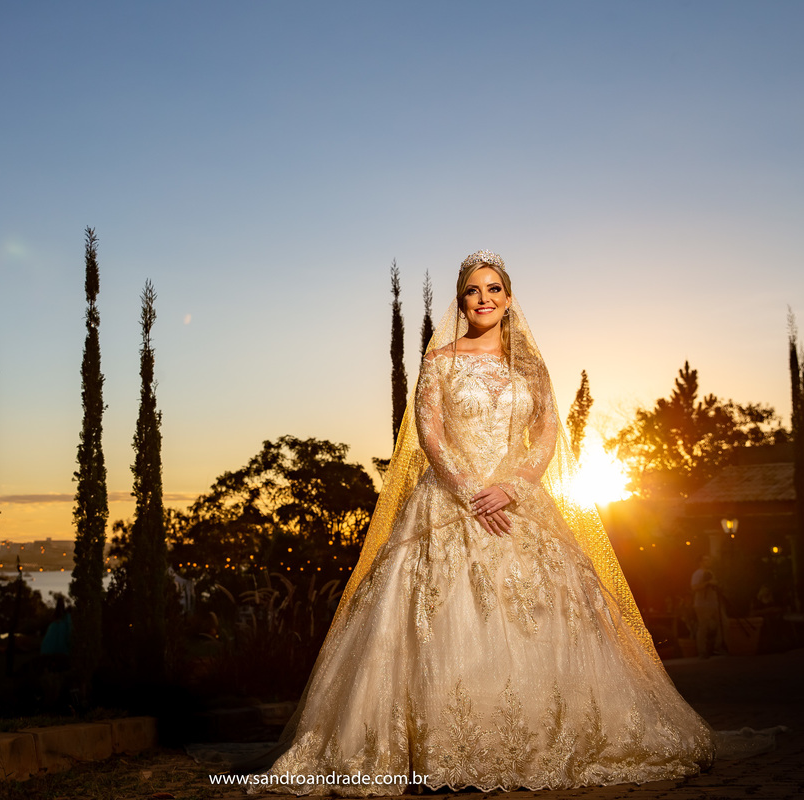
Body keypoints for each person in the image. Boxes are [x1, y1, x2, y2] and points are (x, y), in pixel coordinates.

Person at [253, 251, 719, 795]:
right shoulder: (440, 360)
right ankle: (438, 746)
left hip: (518, 501)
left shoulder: (529, 366)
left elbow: (546, 432)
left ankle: (546, 740)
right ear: (461, 299)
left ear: (509, 297)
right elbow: (430, 432)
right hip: (452, 502)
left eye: (495, 289)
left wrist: (513, 487)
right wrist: (471, 491)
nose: (485, 299)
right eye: (474, 290)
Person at [691, 554, 723, 658]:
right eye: (706, 560)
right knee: (703, 627)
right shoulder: (697, 573)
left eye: (709, 560)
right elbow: (694, 587)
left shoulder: (710, 573)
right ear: (700, 562)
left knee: (722, 624)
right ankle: (702, 651)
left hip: (713, 603)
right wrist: (707, 583)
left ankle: (717, 648)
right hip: (702, 604)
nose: (708, 562)